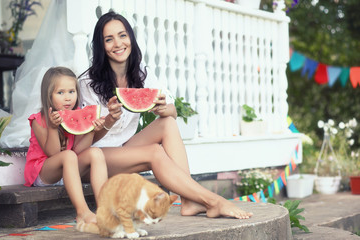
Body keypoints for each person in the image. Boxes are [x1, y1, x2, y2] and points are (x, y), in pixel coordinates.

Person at [79, 11, 253, 219]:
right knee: (154, 152)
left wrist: (164, 108)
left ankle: (189, 200)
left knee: (167, 124)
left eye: (122, 35)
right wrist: (108, 122)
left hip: (126, 150)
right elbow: (84, 140)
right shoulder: (88, 83)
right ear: (101, 46)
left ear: (131, 38)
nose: (118, 43)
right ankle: (213, 201)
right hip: (96, 159)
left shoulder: (141, 72)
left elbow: (173, 112)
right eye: (109, 39)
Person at [24, 67, 108, 224]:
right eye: (60, 93)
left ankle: (105, 209)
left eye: (72, 91)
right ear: (48, 95)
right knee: (68, 156)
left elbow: (78, 150)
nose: (68, 98)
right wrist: (52, 128)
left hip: (68, 170)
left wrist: (91, 130)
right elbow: (53, 153)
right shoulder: (38, 120)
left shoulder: (74, 116)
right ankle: (82, 212)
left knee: (95, 152)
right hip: (43, 173)